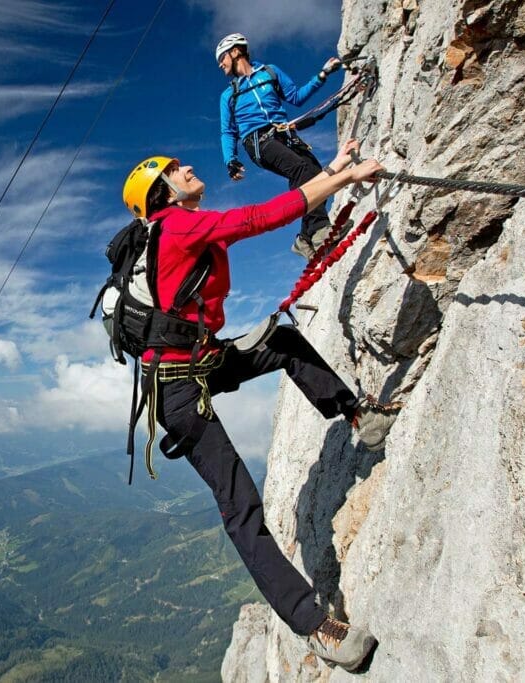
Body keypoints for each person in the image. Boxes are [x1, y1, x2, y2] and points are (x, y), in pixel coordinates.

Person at [120, 139, 399, 670]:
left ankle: (360, 417)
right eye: (177, 169)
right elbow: (260, 218)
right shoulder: (178, 226)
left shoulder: (176, 229)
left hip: (197, 362)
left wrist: (334, 167)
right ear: (164, 193)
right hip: (179, 388)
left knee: (283, 343)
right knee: (241, 506)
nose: (189, 168)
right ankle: (316, 627)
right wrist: (342, 180)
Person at [216, 33, 343, 259]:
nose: (220, 64)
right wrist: (231, 160)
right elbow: (228, 131)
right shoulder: (229, 95)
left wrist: (322, 75)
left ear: (235, 52)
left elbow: (295, 96)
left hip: (284, 134)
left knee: (315, 174)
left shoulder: (270, 72)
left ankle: (305, 238)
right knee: (300, 169)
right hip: (257, 141)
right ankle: (319, 230)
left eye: (222, 57)